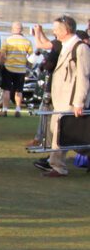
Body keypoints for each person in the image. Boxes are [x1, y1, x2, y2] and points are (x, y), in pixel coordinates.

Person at [40, 15, 89, 178]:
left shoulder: (80, 48)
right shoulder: (66, 46)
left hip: (70, 99)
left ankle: (58, 166)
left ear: (65, 30)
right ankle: (55, 164)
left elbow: (84, 76)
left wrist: (79, 102)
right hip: (61, 98)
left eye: (55, 30)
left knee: (64, 133)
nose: (53, 32)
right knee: (59, 132)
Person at [0, 21, 33, 117]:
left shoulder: (7, 40)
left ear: (12, 29)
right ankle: (18, 109)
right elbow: (31, 56)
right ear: (21, 30)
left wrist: (1, 63)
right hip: (21, 69)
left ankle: (4, 110)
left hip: (8, 68)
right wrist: (29, 67)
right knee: (19, 90)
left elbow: (2, 54)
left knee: (6, 90)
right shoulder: (27, 41)